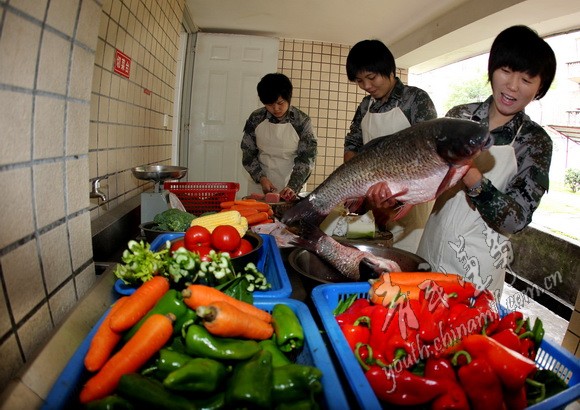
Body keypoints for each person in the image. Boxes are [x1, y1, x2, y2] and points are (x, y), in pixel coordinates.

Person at [416, 25, 557, 298]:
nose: (512, 86)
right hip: (430, 251)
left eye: (526, 80)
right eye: (506, 71)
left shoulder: (533, 141)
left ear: (540, 87)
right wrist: (395, 195)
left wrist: (472, 175)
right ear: (492, 69)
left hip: (476, 271)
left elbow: (516, 220)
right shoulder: (459, 116)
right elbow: (428, 175)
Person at [344, 39, 437, 253]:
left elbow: (429, 153)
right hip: (370, 202)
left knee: (403, 264)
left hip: (408, 205)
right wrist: (357, 188)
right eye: (360, 81)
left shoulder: (415, 99)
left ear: (389, 70)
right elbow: (352, 145)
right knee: (368, 260)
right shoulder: (365, 106)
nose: (367, 86)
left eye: (371, 77)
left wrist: (391, 201)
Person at [241, 73, 317, 201]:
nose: (276, 109)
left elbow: (307, 158)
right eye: (270, 105)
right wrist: (261, 178)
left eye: (280, 103)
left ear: (288, 98)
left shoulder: (302, 121)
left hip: (291, 185)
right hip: (260, 184)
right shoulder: (256, 118)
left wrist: (293, 186)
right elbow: (248, 153)